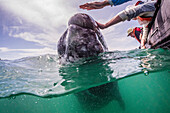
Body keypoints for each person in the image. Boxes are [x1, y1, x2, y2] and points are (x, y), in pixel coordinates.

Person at [81, 1, 156, 49]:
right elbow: (145, 30)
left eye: (130, 34)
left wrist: (105, 25)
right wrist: (143, 44)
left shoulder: (146, 7)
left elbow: (128, 13)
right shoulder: (144, 19)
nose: (131, 36)